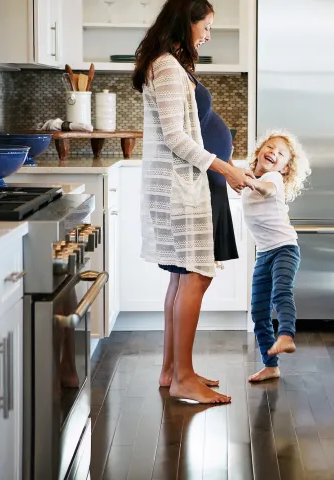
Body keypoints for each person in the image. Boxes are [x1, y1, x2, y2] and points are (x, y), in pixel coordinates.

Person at [132, 0, 254, 404]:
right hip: (184, 188)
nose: (207, 34)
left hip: (195, 184)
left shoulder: (171, 64)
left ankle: (173, 370)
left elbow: (192, 133)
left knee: (183, 278)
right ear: (187, 23)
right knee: (195, 277)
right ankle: (183, 377)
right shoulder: (166, 66)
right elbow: (176, 138)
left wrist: (228, 168)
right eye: (206, 26)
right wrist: (225, 168)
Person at [242, 130, 311, 382]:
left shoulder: (273, 179)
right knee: (258, 312)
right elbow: (237, 176)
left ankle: (286, 335)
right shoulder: (250, 178)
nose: (273, 152)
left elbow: (268, 189)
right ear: (259, 151)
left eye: (281, 154)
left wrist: (250, 181)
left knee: (281, 292)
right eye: (270, 147)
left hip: (285, 249)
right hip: (264, 254)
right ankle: (271, 366)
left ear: (285, 169)